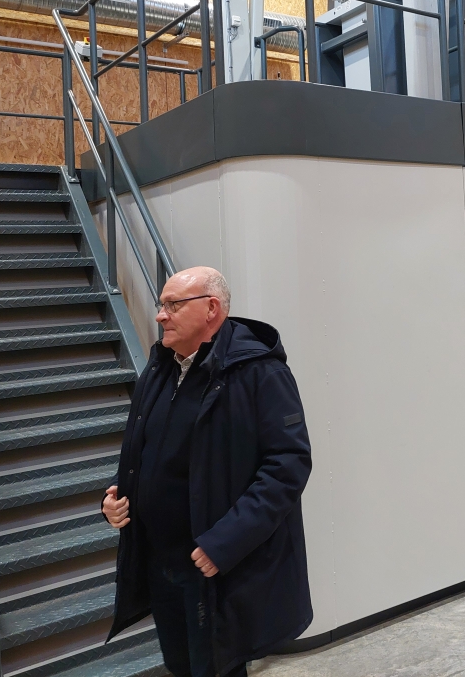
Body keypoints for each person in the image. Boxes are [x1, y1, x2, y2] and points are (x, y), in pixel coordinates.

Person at [101, 266, 312, 677]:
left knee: (215, 669)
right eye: (162, 304)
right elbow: (145, 451)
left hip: (212, 567)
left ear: (211, 308)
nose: (160, 315)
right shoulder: (161, 368)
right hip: (159, 561)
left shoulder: (258, 372)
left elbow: (288, 465)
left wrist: (225, 543)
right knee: (180, 667)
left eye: (173, 305)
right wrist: (116, 494)